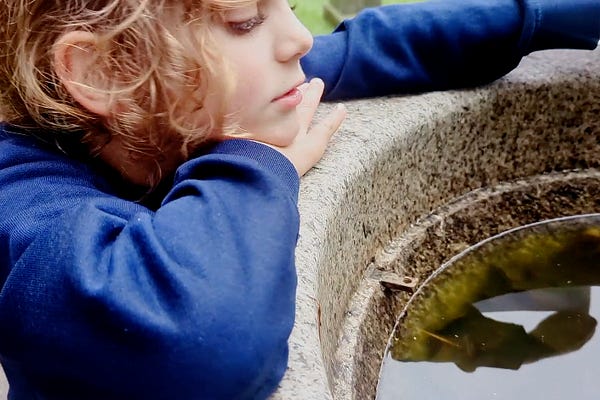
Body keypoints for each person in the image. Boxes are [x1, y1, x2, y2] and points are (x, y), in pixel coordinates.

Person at [0, 0, 597, 399]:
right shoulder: (20, 199)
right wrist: (257, 160)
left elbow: (373, 47)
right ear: (106, 69)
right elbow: (201, 346)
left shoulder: (177, 87)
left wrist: (549, 15)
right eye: (244, 20)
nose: (297, 37)